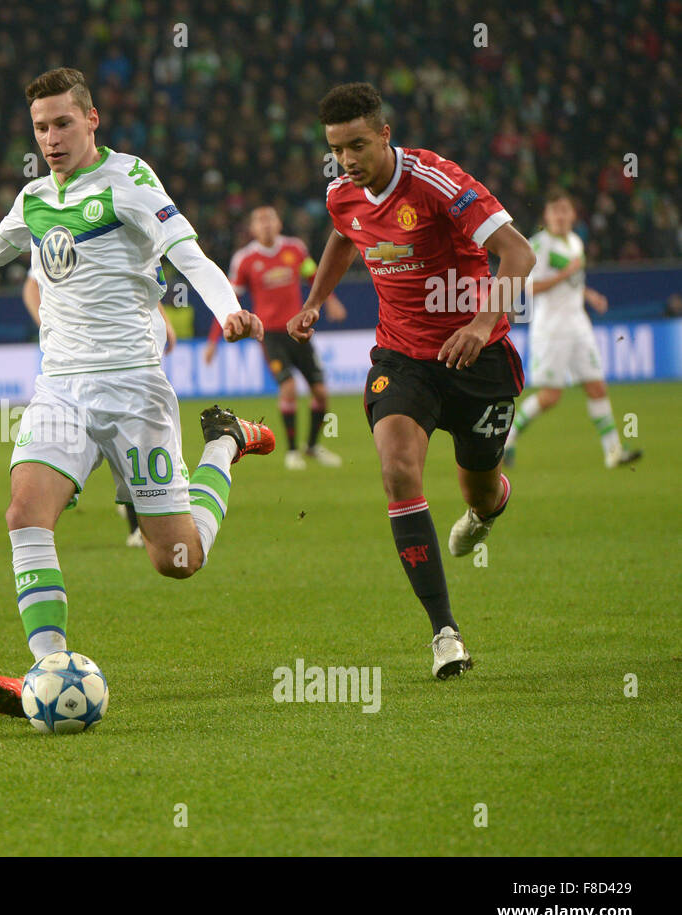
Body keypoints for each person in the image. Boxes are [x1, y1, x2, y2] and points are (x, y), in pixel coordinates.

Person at [0, 68, 275, 718]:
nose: (52, 137)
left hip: (134, 391)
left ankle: (224, 446)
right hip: (61, 388)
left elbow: (189, 252)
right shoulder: (34, 195)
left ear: (91, 120)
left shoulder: (132, 181)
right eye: (41, 127)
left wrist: (228, 309)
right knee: (24, 514)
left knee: (177, 559)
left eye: (63, 123)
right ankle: (49, 669)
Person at [288, 83, 536, 679]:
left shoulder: (436, 182)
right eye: (336, 148)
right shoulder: (342, 194)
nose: (347, 161)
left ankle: (487, 509)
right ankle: (444, 632)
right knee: (397, 468)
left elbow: (519, 254)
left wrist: (481, 323)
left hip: (477, 359)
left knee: (479, 487)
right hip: (402, 360)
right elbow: (345, 236)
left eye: (357, 146)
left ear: (384, 136)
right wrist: (315, 300)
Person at [23, 274, 176, 547]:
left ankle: (142, 517)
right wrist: (48, 323)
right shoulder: (62, 236)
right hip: (87, 355)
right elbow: (31, 285)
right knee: (114, 428)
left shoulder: (134, 233)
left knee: (138, 433)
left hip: (136, 346)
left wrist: (163, 319)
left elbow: (147, 278)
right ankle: (130, 513)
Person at [503, 191, 642, 468]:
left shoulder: (576, 243)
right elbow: (529, 288)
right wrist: (566, 273)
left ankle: (613, 451)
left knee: (597, 387)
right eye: (555, 211)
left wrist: (590, 295)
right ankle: (507, 439)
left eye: (565, 210)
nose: (560, 216)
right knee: (550, 396)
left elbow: (574, 282)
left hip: (579, 325)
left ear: (573, 215)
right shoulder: (538, 246)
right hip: (552, 329)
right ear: (547, 216)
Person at [205, 206, 347, 469]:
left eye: (270, 218)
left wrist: (332, 301)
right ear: (253, 229)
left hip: (298, 331)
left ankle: (313, 446)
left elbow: (314, 276)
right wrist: (213, 341)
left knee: (321, 393)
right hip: (270, 335)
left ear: (279, 223)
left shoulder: (296, 249)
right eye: (260, 221)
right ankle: (292, 451)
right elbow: (228, 301)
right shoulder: (245, 259)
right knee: (289, 387)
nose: (266, 224)